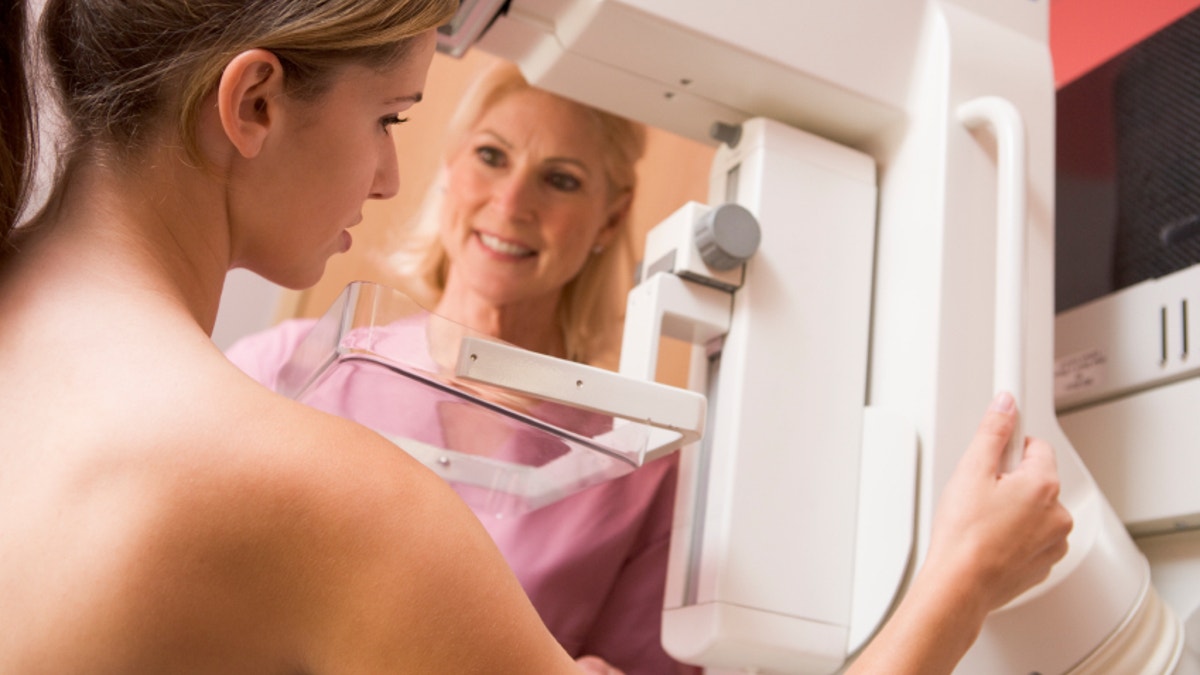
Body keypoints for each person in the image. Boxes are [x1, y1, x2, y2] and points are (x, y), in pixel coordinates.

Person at [0, 2, 1071, 675]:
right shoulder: (322, 492)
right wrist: (962, 581)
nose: (385, 177)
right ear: (255, 103)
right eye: (393, 118)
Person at [226, 61, 695, 674]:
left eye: (560, 179)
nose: (511, 202)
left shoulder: (640, 469)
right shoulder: (285, 366)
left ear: (610, 216)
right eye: (492, 157)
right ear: (451, 167)